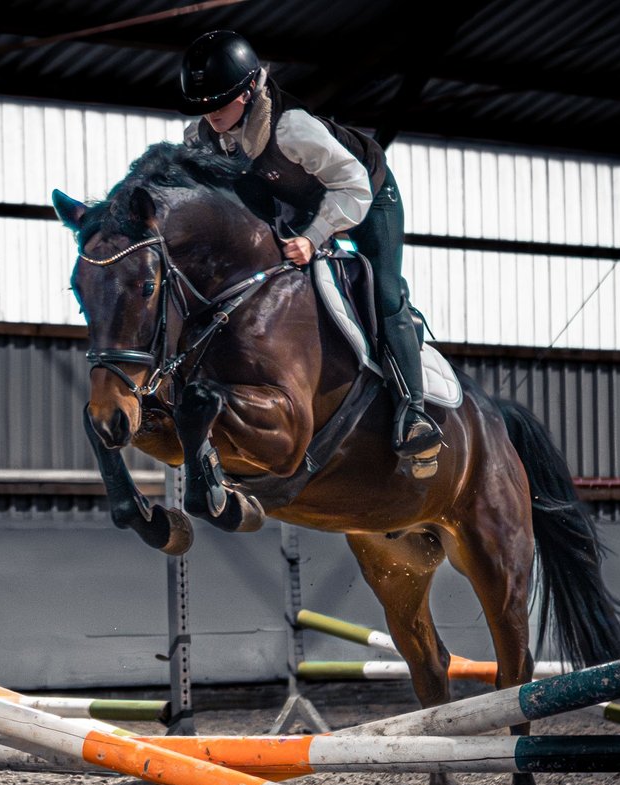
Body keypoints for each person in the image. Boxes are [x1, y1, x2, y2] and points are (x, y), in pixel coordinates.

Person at [178, 30, 442, 467]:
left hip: (366, 193)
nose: (210, 116)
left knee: (384, 289)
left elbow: (352, 186)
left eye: (218, 104)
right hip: (296, 198)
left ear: (248, 91)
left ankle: (413, 412)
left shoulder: (292, 128)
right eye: (202, 107)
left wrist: (314, 236)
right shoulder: (202, 135)